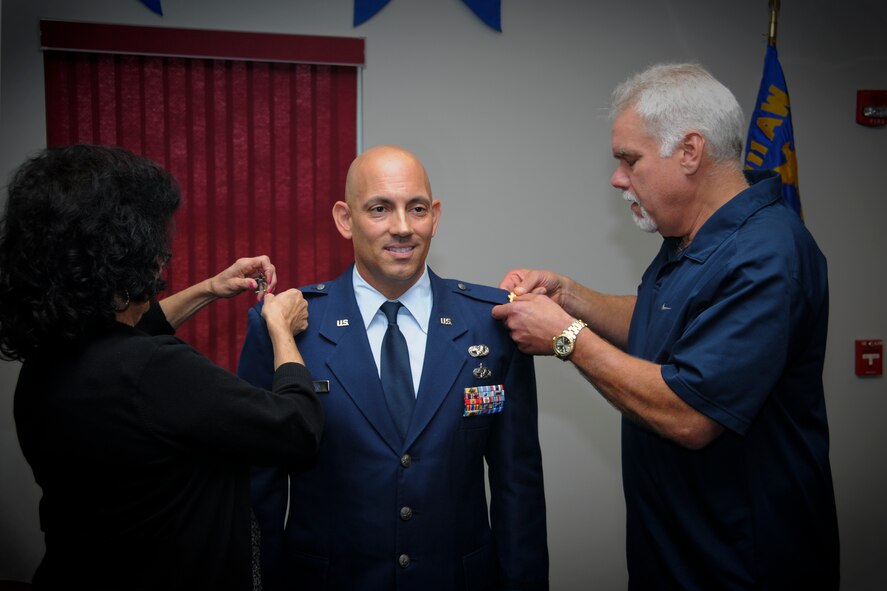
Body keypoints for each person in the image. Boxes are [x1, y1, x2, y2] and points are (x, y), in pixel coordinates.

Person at [492, 63, 839, 589]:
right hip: (673, 557)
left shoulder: (768, 254)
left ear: (690, 151)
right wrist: (571, 297)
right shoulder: (690, 236)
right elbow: (666, 323)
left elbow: (691, 414)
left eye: (630, 160)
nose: (617, 177)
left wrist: (565, 337)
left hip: (743, 566)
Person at [0, 145, 324, 591]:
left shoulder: (47, 359)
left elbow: (134, 328)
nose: (163, 257)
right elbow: (296, 428)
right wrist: (281, 329)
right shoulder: (153, 371)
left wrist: (210, 288)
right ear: (127, 250)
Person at [238, 144, 548, 591]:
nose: (402, 228)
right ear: (345, 219)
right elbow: (258, 486)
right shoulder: (286, 327)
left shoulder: (493, 323)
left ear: (435, 216)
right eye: (380, 209)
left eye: (417, 209)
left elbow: (518, 486)